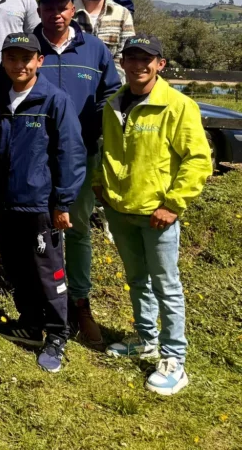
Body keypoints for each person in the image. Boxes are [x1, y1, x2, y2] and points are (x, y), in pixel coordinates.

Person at [97, 35, 211, 396]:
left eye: (146, 59)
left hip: (158, 214)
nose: (138, 65)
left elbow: (198, 160)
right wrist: (100, 185)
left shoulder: (177, 105)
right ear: (123, 63)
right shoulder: (114, 104)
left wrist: (173, 205)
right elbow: (107, 150)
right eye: (131, 58)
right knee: (136, 279)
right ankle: (146, 339)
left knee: (166, 285)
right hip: (120, 209)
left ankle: (174, 359)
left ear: (160, 64)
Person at [0, 32, 86, 373]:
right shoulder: (0, 99)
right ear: (3, 61)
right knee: (16, 268)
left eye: (26, 58)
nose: (19, 65)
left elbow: (71, 154)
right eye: (12, 58)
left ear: (39, 61)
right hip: (8, 203)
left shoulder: (54, 100)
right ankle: (30, 323)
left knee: (49, 272)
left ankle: (58, 334)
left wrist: (63, 203)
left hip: (42, 206)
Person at [33, 0, 121, 348]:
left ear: (73, 10)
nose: (56, 13)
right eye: (48, 6)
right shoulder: (27, 46)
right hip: (35, 156)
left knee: (77, 227)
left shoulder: (94, 48)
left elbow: (110, 94)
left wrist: (93, 131)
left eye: (62, 7)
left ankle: (80, 302)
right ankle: (43, 296)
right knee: (37, 227)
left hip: (80, 156)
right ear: (39, 11)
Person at [73, 0, 135, 82]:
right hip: (74, 85)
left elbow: (126, 56)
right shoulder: (67, 15)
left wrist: (109, 84)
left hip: (111, 88)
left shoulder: (123, 15)